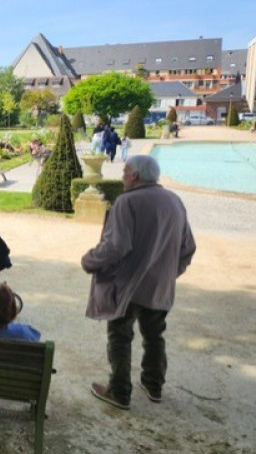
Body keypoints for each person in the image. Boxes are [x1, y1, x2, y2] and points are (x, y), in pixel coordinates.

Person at [81, 155, 196, 410]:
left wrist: (90, 260)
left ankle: (120, 392)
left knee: (120, 337)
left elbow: (116, 246)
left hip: (128, 287)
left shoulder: (127, 201)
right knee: (154, 336)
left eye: (124, 172)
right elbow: (188, 247)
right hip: (159, 287)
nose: (122, 176)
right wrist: (170, 273)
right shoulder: (174, 201)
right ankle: (154, 385)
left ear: (134, 175)